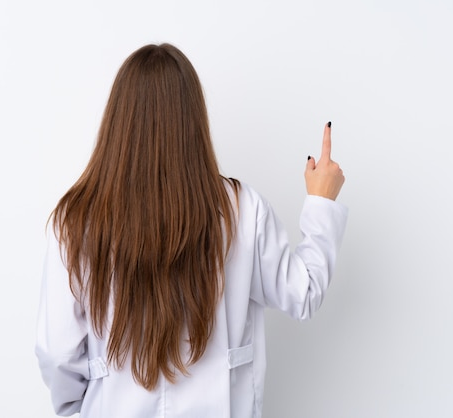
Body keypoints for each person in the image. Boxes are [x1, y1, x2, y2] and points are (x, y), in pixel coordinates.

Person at [35, 43, 347, 417]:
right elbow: (303, 293)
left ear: (118, 120)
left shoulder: (76, 221)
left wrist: (79, 409)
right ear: (194, 119)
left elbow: (57, 353)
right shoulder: (241, 209)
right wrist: (320, 202)